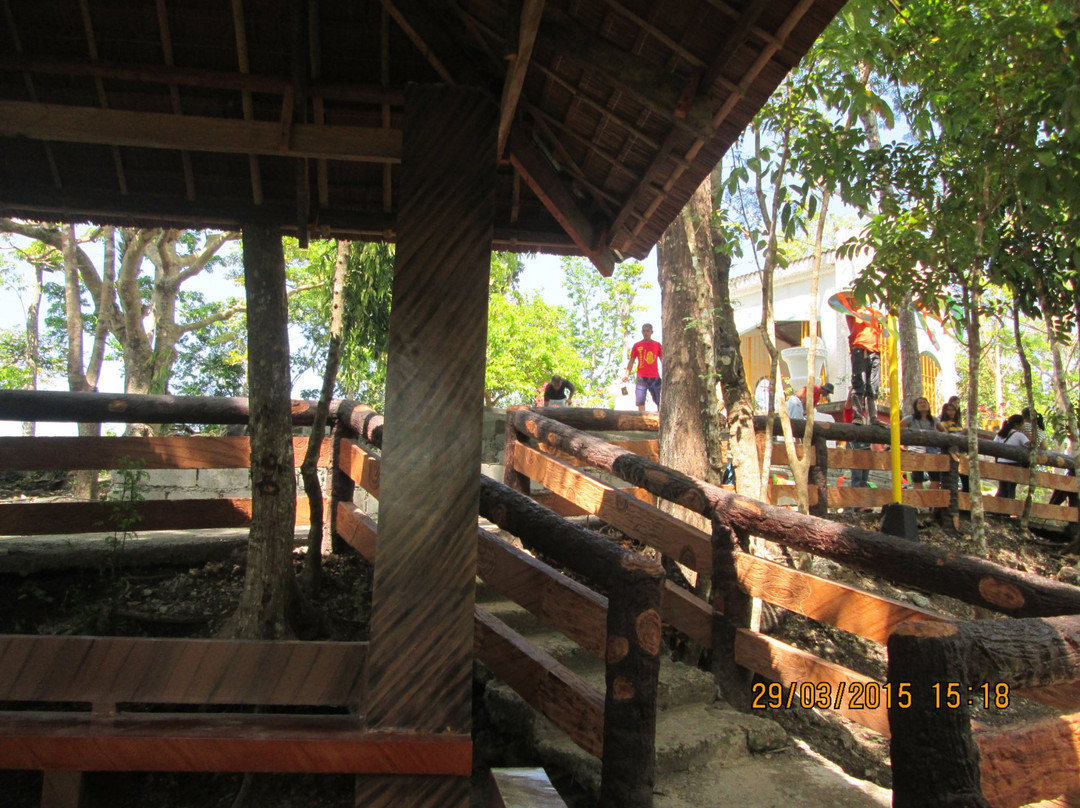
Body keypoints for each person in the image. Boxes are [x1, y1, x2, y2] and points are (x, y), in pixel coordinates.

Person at [900, 396, 944, 490]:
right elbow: (898, 429)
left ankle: (932, 502)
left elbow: (945, 432)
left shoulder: (934, 420)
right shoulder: (910, 419)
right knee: (917, 477)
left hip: (931, 450)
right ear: (915, 407)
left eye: (925, 402)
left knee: (935, 478)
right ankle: (918, 502)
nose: (923, 404)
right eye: (920, 403)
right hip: (916, 450)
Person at [846, 307, 882, 422]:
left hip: (874, 351)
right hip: (859, 349)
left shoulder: (875, 313)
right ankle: (857, 416)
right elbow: (844, 301)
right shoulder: (852, 311)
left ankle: (873, 417)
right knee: (859, 383)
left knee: (873, 386)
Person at [623, 323, 662, 412]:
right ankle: (641, 421)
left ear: (651, 332)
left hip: (655, 377)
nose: (646, 333)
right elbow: (631, 361)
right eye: (644, 331)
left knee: (659, 401)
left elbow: (662, 359)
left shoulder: (657, 345)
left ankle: (661, 420)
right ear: (641, 332)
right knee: (640, 402)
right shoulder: (637, 345)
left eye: (648, 331)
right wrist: (626, 375)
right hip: (641, 377)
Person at [993, 413, 1030, 499]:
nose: (1024, 426)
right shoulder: (1019, 435)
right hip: (1014, 464)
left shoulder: (1000, 434)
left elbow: (993, 446)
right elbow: (1030, 445)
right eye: (1023, 424)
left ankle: (997, 510)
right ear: (1018, 425)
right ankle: (1007, 510)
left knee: (1002, 488)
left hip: (1000, 463)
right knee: (1011, 489)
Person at [939, 399, 968, 492]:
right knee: (952, 481)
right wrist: (962, 434)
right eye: (949, 410)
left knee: (966, 480)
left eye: (953, 410)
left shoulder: (958, 424)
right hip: (952, 455)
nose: (951, 412)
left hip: (962, 455)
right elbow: (948, 438)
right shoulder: (944, 424)